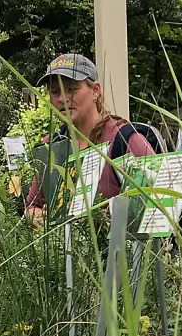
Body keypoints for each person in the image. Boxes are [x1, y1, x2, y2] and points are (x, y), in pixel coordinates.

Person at [25, 53, 155, 222]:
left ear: (95, 91)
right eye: (55, 91)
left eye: (71, 89)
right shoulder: (51, 146)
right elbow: (32, 207)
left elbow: (158, 207)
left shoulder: (125, 140)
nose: (62, 98)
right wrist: (39, 218)